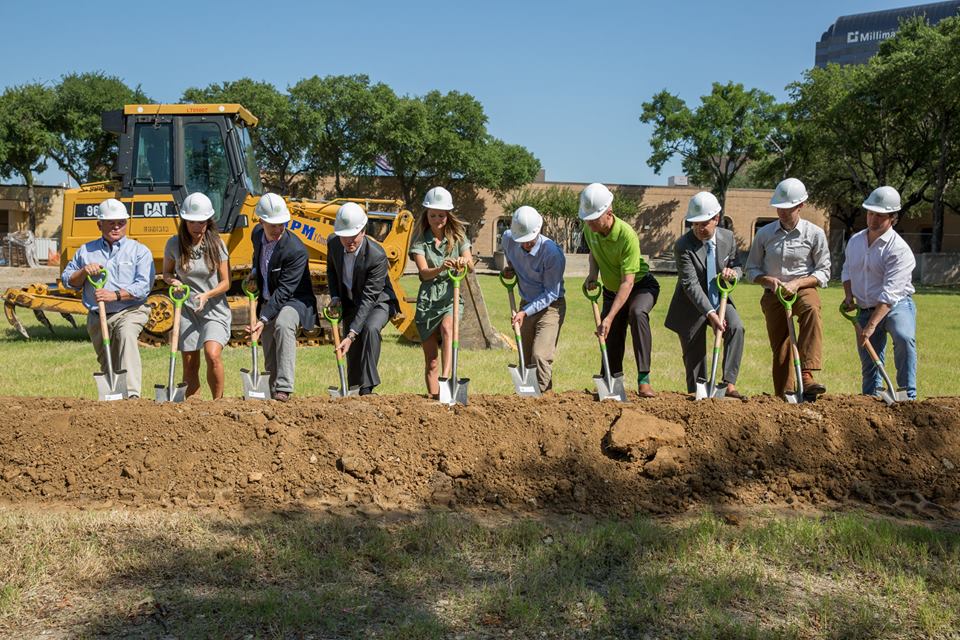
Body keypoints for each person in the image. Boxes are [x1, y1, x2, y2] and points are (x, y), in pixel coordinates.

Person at [746, 177, 831, 400]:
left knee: (811, 309)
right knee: (781, 346)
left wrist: (797, 283)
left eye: (788, 207)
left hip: (802, 287)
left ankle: (807, 373)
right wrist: (768, 280)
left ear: (800, 206)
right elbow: (751, 269)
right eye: (779, 207)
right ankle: (785, 395)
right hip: (773, 293)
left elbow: (824, 272)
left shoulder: (814, 234)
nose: (782, 212)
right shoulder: (764, 234)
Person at [62, 197, 154, 398]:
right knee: (107, 361)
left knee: (126, 335)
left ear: (126, 223)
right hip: (98, 316)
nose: (116, 227)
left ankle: (131, 395)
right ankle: (112, 401)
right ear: (99, 224)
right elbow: (68, 280)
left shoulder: (139, 251)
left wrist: (115, 295)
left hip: (131, 310)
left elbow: (143, 286)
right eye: (111, 223)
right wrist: (84, 271)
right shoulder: (86, 251)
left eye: (120, 223)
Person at [580, 182, 660, 397]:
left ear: (609, 213)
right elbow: (594, 253)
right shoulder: (590, 229)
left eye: (594, 218)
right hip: (611, 289)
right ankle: (611, 381)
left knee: (637, 313)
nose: (589, 223)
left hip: (640, 287)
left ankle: (644, 380)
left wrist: (609, 316)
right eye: (586, 219)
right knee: (611, 334)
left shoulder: (627, 236)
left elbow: (628, 283)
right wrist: (592, 275)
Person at [665, 192, 745, 399]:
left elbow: (737, 265)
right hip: (690, 304)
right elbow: (690, 284)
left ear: (716, 219)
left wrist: (733, 274)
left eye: (704, 223)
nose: (699, 228)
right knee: (695, 357)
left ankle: (728, 384)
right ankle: (698, 393)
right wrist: (711, 314)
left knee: (736, 326)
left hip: (720, 298)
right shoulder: (683, 245)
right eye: (695, 224)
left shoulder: (727, 238)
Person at [841, 186, 917, 399]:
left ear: (892, 218)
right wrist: (849, 295)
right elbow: (847, 269)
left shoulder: (899, 250)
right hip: (865, 307)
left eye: (880, 215)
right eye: (870, 213)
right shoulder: (855, 241)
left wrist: (871, 326)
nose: (872, 219)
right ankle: (871, 399)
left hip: (895, 306)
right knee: (869, 359)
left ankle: (907, 395)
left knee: (903, 337)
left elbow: (890, 294)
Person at [246, 193, 316, 402]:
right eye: (272, 225)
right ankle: (270, 386)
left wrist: (263, 318)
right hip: (269, 297)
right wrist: (254, 272)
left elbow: (285, 290)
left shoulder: (295, 250)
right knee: (268, 342)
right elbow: (258, 257)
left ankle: (284, 387)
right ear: (261, 221)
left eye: (281, 225)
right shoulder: (257, 234)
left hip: (295, 299)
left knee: (283, 324)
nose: (278, 230)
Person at [161, 192, 231, 399]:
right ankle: (193, 407)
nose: (197, 226)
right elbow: (166, 273)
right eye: (192, 222)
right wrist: (173, 282)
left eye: (201, 222)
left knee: (212, 354)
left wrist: (207, 295)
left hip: (214, 309)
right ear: (185, 221)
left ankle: (218, 402)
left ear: (208, 222)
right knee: (190, 363)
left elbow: (226, 282)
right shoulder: (173, 244)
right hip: (187, 310)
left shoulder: (217, 245)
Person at [327, 201, 399, 396]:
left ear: (363, 231)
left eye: (354, 237)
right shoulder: (333, 243)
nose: (349, 241)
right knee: (352, 348)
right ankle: (353, 388)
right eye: (344, 237)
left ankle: (367, 388)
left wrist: (351, 334)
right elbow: (332, 271)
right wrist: (335, 296)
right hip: (351, 301)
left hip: (378, 301)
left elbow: (369, 298)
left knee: (369, 329)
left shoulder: (376, 256)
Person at [409, 186, 473, 398]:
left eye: (442, 215)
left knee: (448, 327)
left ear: (448, 215)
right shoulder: (420, 240)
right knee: (431, 361)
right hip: (427, 302)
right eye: (433, 215)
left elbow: (471, 265)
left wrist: (464, 261)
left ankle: (447, 379)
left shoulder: (458, 236)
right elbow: (424, 273)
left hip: (450, 297)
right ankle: (435, 399)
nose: (437, 219)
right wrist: (441, 268)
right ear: (426, 215)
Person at [500, 205, 566, 392]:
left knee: (539, 356)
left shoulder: (552, 253)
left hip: (552, 306)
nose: (526, 244)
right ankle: (527, 403)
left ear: (538, 231)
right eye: (522, 240)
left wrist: (524, 312)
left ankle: (544, 399)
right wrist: (510, 268)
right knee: (525, 356)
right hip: (525, 303)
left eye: (530, 240)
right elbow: (510, 256)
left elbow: (551, 292)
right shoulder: (508, 239)